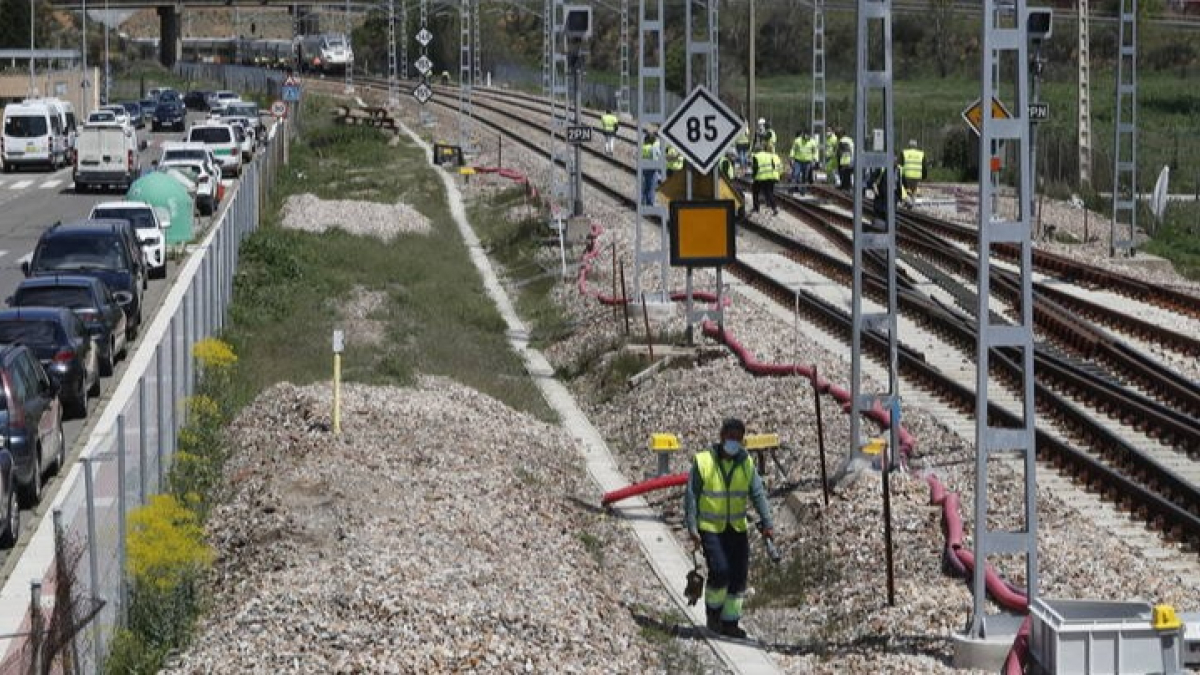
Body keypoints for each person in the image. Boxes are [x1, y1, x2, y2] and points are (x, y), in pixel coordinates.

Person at [684, 418, 775, 638]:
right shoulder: (704, 461)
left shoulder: (746, 463)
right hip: (710, 528)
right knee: (720, 571)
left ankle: (730, 622)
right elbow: (692, 495)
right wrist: (692, 526)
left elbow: (757, 493)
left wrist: (767, 522)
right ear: (722, 436)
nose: (734, 442)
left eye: (738, 438)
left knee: (738, 576)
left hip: (736, 528)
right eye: (730, 437)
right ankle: (713, 614)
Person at [751, 147, 780, 215]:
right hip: (770, 176)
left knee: (755, 192)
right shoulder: (769, 155)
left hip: (760, 177)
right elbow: (773, 165)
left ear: (756, 151)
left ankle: (756, 208)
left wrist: (754, 177)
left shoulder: (756, 156)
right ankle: (774, 208)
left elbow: (755, 168)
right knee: (769, 193)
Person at [640, 131, 663, 206]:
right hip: (652, 170)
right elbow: (656, 159)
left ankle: (642, 202)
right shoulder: (653, 148)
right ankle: (650, 203)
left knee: (644, 186)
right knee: (651, 188)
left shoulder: (642, 147)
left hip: (643, 168)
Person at [900, 138, 926, 202]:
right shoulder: (921, 154)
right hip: (917, 176)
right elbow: (924, 166)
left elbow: (900, 165)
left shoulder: (904, 152)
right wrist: (924, 176)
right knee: (914, 191)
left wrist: (900, 175)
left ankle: (908, 202)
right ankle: (913, 203)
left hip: (906, 175)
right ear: (916, 146)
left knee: (907, 190)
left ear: (909, 146)